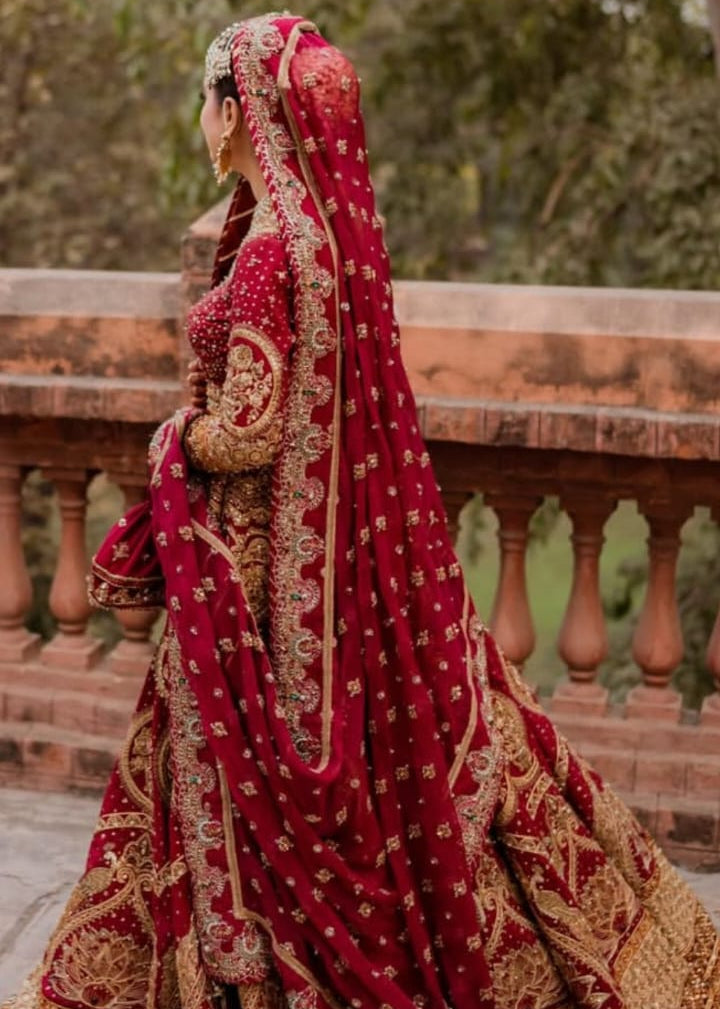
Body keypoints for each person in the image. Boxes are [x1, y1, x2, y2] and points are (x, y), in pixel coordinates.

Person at [5, 13, 720, 1009]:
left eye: (209, 103)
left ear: (242, 110)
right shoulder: (325, 242)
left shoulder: (264, 257)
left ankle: (239, 980)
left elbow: (248, 432)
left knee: (235, 774)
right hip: (323, 576)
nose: (203, 127)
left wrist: (174, 442)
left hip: (250, 581)